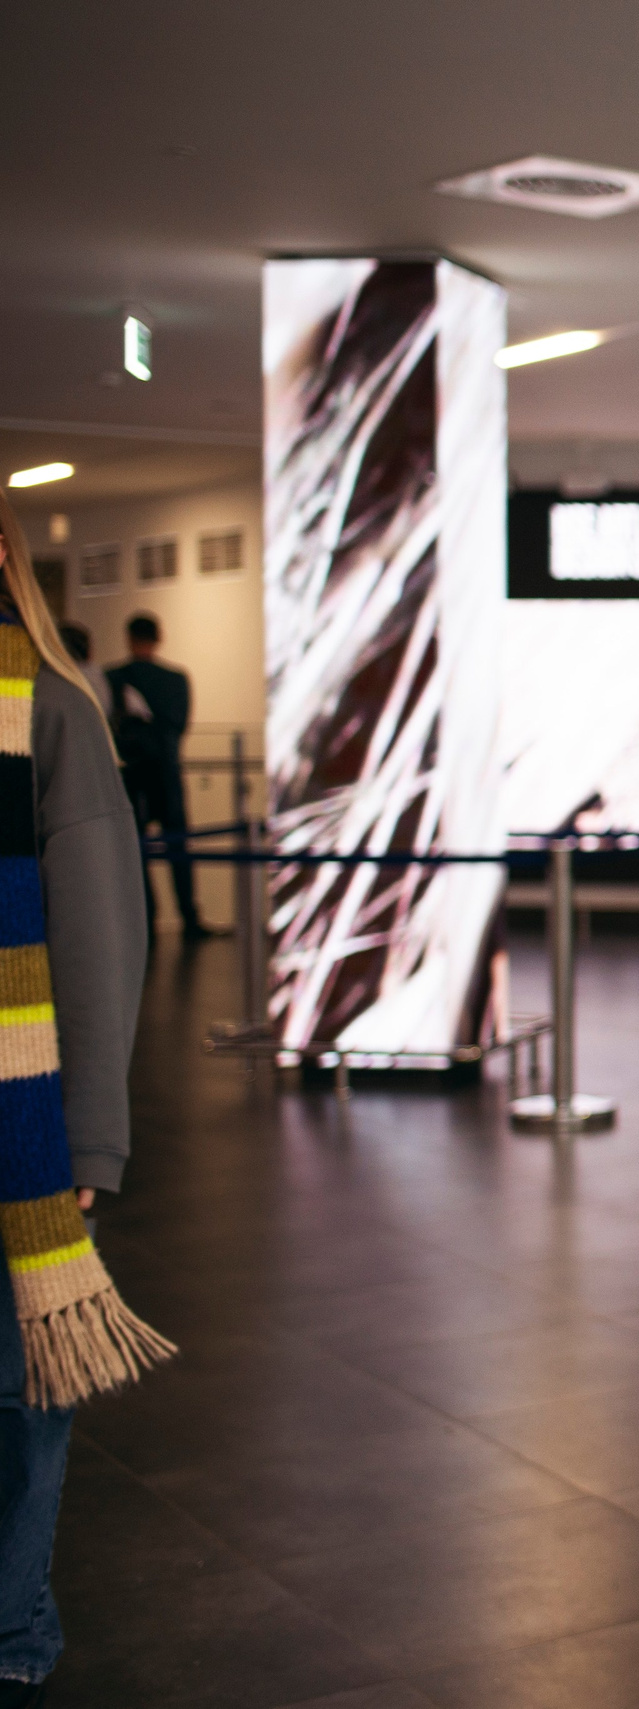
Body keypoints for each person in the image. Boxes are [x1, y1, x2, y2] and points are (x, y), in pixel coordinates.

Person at [0, 494, 170, 1703]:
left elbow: (100, 940)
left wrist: (89, 1139)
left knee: (16, 1393)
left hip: (19, 1132)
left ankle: (12, 1627)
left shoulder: (50, 714)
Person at [105, 612, 218, 940]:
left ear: (130, 638)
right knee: (178, 847)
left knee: (137, 851)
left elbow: (113, 725)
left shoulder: (115, 677)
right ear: (158, 638)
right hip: (166, 772)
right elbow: (178, 724)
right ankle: (188, 916)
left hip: (134, 774)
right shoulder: (174, 679)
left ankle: (147, 919)